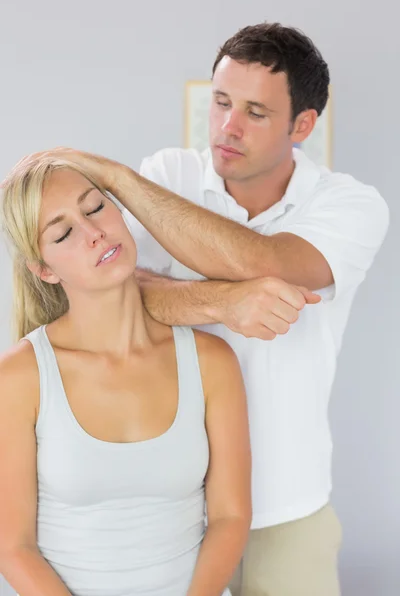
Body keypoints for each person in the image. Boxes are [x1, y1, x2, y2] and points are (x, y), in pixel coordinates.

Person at [8, 21, 390, 596]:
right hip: (171, 511)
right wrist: (225, 303)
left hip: (283, 510)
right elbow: (100, 281)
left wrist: (114, 176)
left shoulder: (351, 207)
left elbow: (270, 261)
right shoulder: (168, 179)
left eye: (255, 113)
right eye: (219, 102)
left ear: (303, 125)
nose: (226, 128)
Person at [0, 157, 252, 596]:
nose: (94, 232)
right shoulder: (21, 378)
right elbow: (13, 548)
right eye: (63, 233)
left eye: (95, 207)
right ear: (44, 269)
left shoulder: (213, 362)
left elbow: (230, 517)